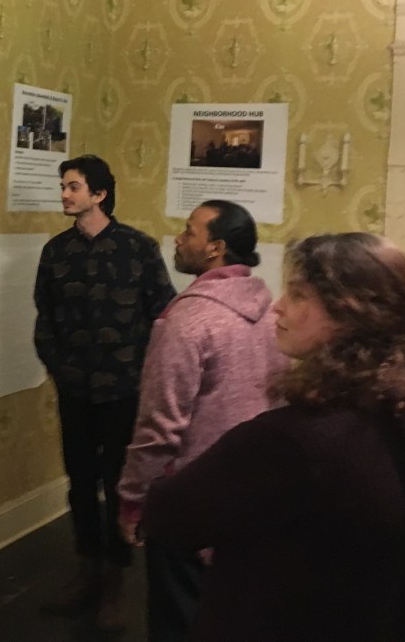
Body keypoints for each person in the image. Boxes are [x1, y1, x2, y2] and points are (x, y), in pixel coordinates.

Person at [143, 233, 405, 642]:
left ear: (350, 313)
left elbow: (167, 516)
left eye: (298, 294)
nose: (279, 305)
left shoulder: (292, 441)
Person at [117, 200, 287, 642]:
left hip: (191, 500)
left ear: (216, 248)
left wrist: (134, 500)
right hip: (255, 493)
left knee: (179, 620)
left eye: (189, 231)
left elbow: (159, 427)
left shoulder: (186, 321)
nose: (178, 238)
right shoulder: (275, 313)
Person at [33, 154, 176, 632]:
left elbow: (164, 315)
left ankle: (115, 582)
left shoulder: (138, 248)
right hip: (75, 389)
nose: (64, 194)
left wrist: (145, 374)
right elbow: (45, 317)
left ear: (99, 194)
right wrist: (59, 368)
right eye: (63, 186)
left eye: (73, 186)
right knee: (79, 482)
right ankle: (87, 571)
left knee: (118, 484)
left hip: (124, 390)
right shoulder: (56, 252)